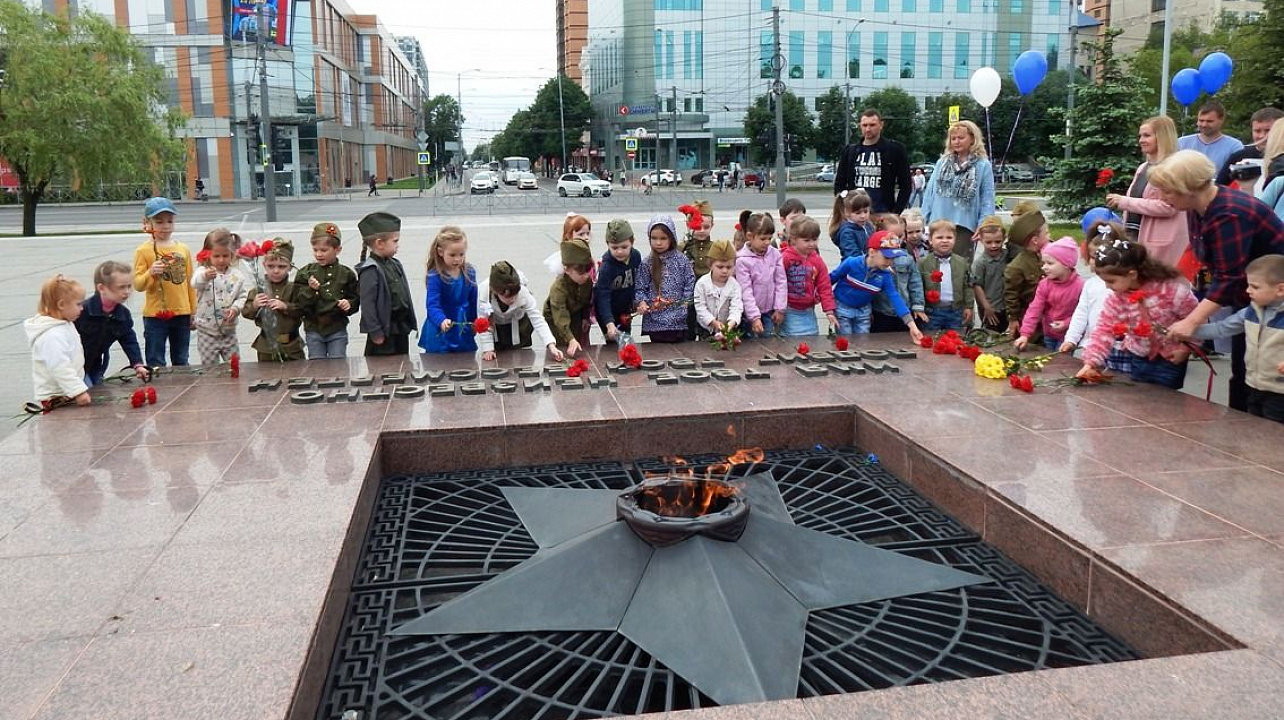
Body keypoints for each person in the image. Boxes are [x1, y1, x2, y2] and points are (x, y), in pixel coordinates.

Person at [1151, 150, 1284, 410]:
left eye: (1167, 190)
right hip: (1254, 294)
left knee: (1269, 374)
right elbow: (1209, 261)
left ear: (1189, 188)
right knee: (1245, 367)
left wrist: (1191, 322)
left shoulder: (1229, 213)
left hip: (1275, 294)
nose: (1162, 197)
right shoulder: (1196, 208)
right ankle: (1242, 429)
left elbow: (1229, 277)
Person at [1076, 237, 1199, 389]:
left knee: (1167, 401)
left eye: (1111, 281)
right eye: (1105, 282)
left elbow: (1194, 319)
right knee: (1141, 396)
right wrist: (1090, 363)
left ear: (1132, 274)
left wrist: (1186, 349)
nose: (1107, 287)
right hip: (1139, 357)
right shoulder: (1116, 300)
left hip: (1171, 358)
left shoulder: (1170, 291)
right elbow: (1104, 330)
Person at [1191, 254, 1284, 422]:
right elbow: (1222, 328)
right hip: (1254, 385)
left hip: (1280, 390)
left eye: (1255, 287)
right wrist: (1189, 330)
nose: (1248, 291)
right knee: (1255, 425)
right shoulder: (1251, 311)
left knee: (1273, 433)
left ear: (1280, 289)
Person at [1105, 116, 1188, 266]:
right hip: (1136, 238)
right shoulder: (1143, 167)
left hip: (1161, 244)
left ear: (1162, 137)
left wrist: (1125, 201)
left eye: (1147, 135)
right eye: (1140, 136)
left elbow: (1169, 207)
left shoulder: (1172, 168)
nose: (1141, 140)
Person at [829, 230, 924, 343]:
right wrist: (827, 304)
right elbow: (829, 280)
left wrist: (912, 326)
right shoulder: (851, 263)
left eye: (893, 258)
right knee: (845, 342)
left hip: (863, 311)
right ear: (872, 252)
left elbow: (895, 298)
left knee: (862, 343)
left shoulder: (885, 275)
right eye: (887, 257)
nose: (890, 262)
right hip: (843, 308)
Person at [133, 197, 195, 367]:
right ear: (147, 223)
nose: (165, 226)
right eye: (159, 222)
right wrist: (150, 273)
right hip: (155, 315)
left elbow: (190, 282)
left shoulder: (182, 249)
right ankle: (159, 389)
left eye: (170, 221)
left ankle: (183, 388)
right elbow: (138, 284)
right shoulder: (143, 251)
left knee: (181, 358)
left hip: (181, 312)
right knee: (155, 359)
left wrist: (192, 311)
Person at [920, 120, 996, 261]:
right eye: (953, 138)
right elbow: (930, 193)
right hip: (938, 222)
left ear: (973, 138)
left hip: (965, 226)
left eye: (961, 138)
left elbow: (987, 197)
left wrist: (984, 224)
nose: (956, 142)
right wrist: (923, 219)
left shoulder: (983, 165)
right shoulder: (942, 162)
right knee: (935, 267)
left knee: (960, 267)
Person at [77, 261, 149, 386]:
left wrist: (137, 364)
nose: (127, 292)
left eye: (129, 286)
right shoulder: (83, 311)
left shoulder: (122, 314)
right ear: (101, 288)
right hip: (75, 367)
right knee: (86, 394)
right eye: (121, 287)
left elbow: (129, 340)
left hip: (96, 366)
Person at [295, 222, 360, 359]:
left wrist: (349, 304)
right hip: (314, 328)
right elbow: (300, 303)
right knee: (317, 363)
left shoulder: (346, 273)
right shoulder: (305, 273)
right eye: (315, 250)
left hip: (337, 327)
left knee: (338, 362)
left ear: (337, 249)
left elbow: (355, 298)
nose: (318, 254)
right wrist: (310, 291)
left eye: (324, 250)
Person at [356, 211, 416, 356]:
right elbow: (368, 305)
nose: (398, 245)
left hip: (400, 328)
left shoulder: (395, 264)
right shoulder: (370, 269)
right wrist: (375, 332)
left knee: (402, 367)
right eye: (395, 241)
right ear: (379, 243)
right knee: (383, 371)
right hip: (384, 332)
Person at [26, 275, 91, 408]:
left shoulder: (64, 324)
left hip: (66, 391)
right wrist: (77, 391)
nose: (82, 308)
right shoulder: (52, 335)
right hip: (57, 396)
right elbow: (59, 366)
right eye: (78, 304)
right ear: (61, 305)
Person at [477, 261, 562, 362]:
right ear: (495, 291)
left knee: (522, 356)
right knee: (500, 356)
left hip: (519, 324)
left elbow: (537, 319)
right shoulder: (484, 292)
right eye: (507, 297)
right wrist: (488, 349)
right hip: (497, 326)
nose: (512, 299)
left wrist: (551, 345)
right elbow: (484, 322)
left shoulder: (522, 292)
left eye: (515, 295)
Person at [832, 108, 912, 214]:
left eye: (872, 125)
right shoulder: (850, 151)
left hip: (883, 213)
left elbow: (906, 185)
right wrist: (845, 206)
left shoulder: (895, 150)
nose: (868, 129)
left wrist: (895, 213)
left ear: (881, 125)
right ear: (860, 125)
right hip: (855, 213)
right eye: (864, 125)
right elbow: (839, 184)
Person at [241, 239, 307, 362]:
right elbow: (246, 313)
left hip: (292, 346)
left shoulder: (295, 288)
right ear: (264, 265)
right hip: (266, 347)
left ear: (290, 267)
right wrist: (254, 306)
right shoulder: (259, 290)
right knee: (267, 377)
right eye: (271, 266)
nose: (276, 271)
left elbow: (304, 310)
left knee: (297, 377)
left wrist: (286, 307)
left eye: (282, 266)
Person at [1061, 221, 1121, 357]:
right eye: (1093, 257)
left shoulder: (1120, 284)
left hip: (1116, 347)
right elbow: (1081, 313)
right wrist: (1071, 339)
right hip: (1090, 344)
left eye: (1100, 256)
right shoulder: (1090, 284)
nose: (1096, 261)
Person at [1013, 237, 1084, 351]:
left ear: (1066, 264)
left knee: (1063, 362)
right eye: (1043, 263)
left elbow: (1082, 314)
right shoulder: (1044, 284)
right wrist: (1025, 334)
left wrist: (1066, 323)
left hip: (1068, 336)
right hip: (1049, 333)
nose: (1044, 267)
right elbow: (1034, 309)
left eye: (1050, 263)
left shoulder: (1080, 286)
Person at [634, 215, 695, 343]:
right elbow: (640, 287)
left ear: (671, 238)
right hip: (655, 320)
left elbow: (689, 282)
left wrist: (684, 304)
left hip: (678, 319)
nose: (658, 242)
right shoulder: (647, 263)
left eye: (663, 238)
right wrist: (642, 303)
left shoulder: (682, 260)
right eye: (654, 238)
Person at [418, 226, 478, 354]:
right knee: (439, 364)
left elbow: (473, 302)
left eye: (461, 254)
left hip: (463, 325)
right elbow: (432, 305)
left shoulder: (470, 272)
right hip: (441, 328)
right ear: (440, 252)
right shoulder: (435, 276)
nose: (457, 259)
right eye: (452, 255)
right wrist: (441, 320)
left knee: (466, 362)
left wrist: (474, 322)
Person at [192, 229, 248, 365]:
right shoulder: (203, 272)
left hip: (228, 330)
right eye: (216, 256)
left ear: (232, 255)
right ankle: (211, 385)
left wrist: (235, 309)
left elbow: (242, 296)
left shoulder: (237, 276)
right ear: (208, 255)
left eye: (225, 255)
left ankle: (234, 385)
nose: (221, 260)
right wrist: (205, 277)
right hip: (207, 331)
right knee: (209, 366)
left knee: (234, 364)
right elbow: (194, 282)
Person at [779, 215, 838, 336]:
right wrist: (778, 308)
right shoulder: (786, 258)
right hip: (789, 308)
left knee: (811, 337)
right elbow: (778, 283)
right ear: (794, 239)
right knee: (793, 338)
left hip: (808, 309)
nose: (812, 244)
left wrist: (829, 310)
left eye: (815, 239)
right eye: (806, 240)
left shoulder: (817, 261)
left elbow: (824, 286)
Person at [869, 214, 927, 334]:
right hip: (881, 311)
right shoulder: (874, 258)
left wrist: (918, 306)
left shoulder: (906, 258)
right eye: (893, 236)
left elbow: (915, 283)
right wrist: (867, 310)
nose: (897, 240)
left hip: (904, 310)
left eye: (900, 236)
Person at [1004, 202, 1052, 338]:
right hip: (1029, 321)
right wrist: (1013, 319)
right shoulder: (1016, 266)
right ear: (1035, 240)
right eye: (1047, 233)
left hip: (1051, 317)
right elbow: (1011, 296)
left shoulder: (1051, 254)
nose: (1050, 236)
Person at [735, 211, 786, 337]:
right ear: (750, 236)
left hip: (770, 311)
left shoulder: (775, 254)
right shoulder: (742, 260)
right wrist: (754, 317)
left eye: (770, 238)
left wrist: (780, 308)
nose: (767, 242)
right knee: (753, 346)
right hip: (750, 315)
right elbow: (745, 290)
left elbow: (781, 282)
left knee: (770, 342)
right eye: (763, 239)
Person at [917, 219, 973, 332]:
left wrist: (969, 306)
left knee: (956, 341)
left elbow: (967, 285)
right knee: (931, 340)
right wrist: (919, 307)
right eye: (939, 237)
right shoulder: (923, 263)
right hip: (932, 312)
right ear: (930, 240)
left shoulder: (962, 262)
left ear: (955, 240)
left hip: (956, 311)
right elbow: (918, 287)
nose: (944, 241)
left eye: (949, 238)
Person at [545, 237, 596, 356]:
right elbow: (560, 315)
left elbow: (586, 301)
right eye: (581, 272)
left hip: (576, 314)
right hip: (555, 319)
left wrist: (585, 317)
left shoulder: (587, 280)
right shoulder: (558, 288)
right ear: (567, 270)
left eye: (588, 269)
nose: (586, 275)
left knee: (576, 350)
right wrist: (570, 338)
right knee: (562, 348)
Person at [595, 219, 641, 344]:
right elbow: (602, 297)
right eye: (614, 248)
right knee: (613, 341)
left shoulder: (636, 256)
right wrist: (609, 323)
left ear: (632, 242)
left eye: (624, 247)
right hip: (607, 310)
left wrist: (638, 302)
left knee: (626, 338)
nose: (619, 251)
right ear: (607, 245)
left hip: (625, 308)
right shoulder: (606, 268)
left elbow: (638, 282)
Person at [1216, 107, 1283, 188]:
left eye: (1268, 130)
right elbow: (1219, 186)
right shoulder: (1240, 156)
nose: (1262, 136)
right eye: (1257, 131)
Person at [1177, 101, 1244, 178]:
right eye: (1201, 121)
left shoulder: (1234, 146)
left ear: (1221, 120)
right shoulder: (1182, 143)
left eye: (1209, 121)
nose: (1204, 125)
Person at [693, 240, 743, 339]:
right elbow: (700, 307)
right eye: (720, 267)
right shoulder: (702, 283)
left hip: (728, 327)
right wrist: (713, 322)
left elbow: (736, 307)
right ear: (710, 265)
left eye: (729, 267)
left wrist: (730, 323)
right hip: (706, 328)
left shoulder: (734, 285)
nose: (724, 271)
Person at [681, 201, 716, 339]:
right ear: (688, 225)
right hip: (689, 292)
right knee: (688, 324)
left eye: (706, 227)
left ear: (712, 226)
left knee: (705, 327)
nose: (701, 230)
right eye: (698, 226)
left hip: (708, 293)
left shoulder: (714, 247)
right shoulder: (684, 247)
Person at [970, 217, 1009, 333]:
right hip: (990, 307)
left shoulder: (1008, 256)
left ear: (1004, 239)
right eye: (989, 242)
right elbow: (977, 286)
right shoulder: (980, 263)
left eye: (998, 242)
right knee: (991, 333)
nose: (993, 245)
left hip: (1007, 306)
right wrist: (986, 306)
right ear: (981, 240)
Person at [828, 189, 875, 260]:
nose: (863, 216)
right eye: (858, 213)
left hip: (869, 264)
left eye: (865, 211)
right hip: (854, 267)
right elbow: (852, 255)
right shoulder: (847, 232)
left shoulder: (868, 225)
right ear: (846, 212)